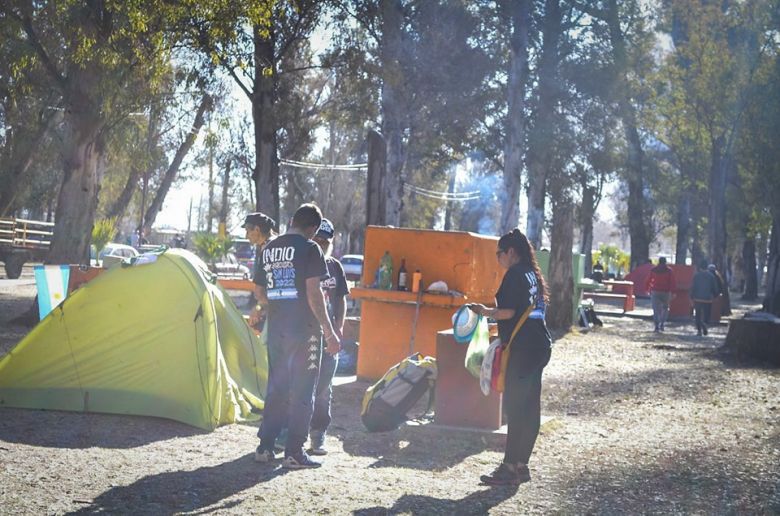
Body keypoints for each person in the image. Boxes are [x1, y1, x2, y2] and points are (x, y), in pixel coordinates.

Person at [252, 203, 341, 469]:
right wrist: (329, 329)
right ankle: (294, 452)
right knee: (304, 391)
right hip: (306, 333)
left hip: (277, 330)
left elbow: (258, 291)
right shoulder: (310, 248)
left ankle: (265, 447)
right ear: (313, 229)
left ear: (292, 220)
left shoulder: (268, 248)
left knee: (277, 388)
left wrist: (278, 305)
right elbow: (314, 294)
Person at [468, 228, 552, 486]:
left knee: (515, 408)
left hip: (524, 347)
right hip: (540, 344)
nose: (498, 258)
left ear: (511, 252)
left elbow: (508, 311)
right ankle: (522, 465)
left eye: (499, 254)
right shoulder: (533, 274)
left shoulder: (515, 274)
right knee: (530, 408)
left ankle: (508, 468)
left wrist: (484, 312)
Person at [308, 218, 349, 456]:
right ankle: (292, 433)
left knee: (324, 388)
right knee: (300, 386)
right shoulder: (304, 264)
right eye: (318, 240)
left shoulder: (334, 267)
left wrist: (339, 327)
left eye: (325, 241)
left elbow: (341, 298)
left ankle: (317, 435)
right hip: (306, 335)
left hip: (329, 338)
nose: (321, 245)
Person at [244, 212, 277, 326]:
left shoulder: (267, 249)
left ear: (257, 229)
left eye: (248, 231)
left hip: (276, 312)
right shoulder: (278, 245)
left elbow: (259, 292)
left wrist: (259, 307)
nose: (246, 236)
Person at [645, 257, 676, 332]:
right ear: (665, 262)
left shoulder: (653, 270)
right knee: (665, 308)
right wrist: (673, 292)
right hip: (666, 292)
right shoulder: (669, 271)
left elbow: (648, 280)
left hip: (655, 291)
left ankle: (656, 325)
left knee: (656, 309)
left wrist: (647, 289)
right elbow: (672, 282)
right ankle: (662, 323)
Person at [691, 259, 719, 336]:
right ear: (707, 267)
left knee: (698, 314)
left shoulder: (696, 276)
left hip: (698, 299)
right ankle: (705, 323)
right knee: (707, 314)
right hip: (708, 299)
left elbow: (693, 287)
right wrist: (715, 295)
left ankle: (699, 330)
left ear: (700, 267)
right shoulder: (711, 276)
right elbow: (714, 288)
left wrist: (692, 296)